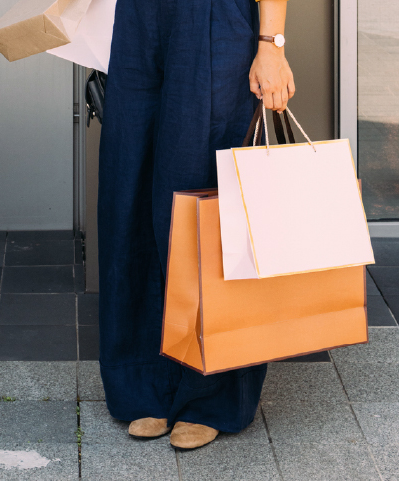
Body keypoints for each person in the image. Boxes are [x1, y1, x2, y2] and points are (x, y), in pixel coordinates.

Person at [97, 0, 295, 450]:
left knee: (202, 207)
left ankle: (212, 394)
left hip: (214, 21)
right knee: (131, 193)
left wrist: (271, 43)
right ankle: (143, 383)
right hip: (139, 20)